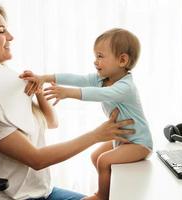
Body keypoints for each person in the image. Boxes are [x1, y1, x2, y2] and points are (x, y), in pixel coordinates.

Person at [0, 4, 135, 200]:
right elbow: (36, 159)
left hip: (42, 192)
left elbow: (50, 122)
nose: (11, 37)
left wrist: (38, 92)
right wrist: (97, 135)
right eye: (2, 31)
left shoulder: (3, 85)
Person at [19, 28, 153, 200]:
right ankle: (113, 191)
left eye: (100, 56)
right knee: (95, 156)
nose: (95, 61)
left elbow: (100, 94)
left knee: (104, 161)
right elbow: (76, 79)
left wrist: (68, 93)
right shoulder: (101, 79)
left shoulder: (125, 87)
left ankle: (102, 196)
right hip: (123, 140)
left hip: (139, 143)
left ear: (122, 60)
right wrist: (44, 77)